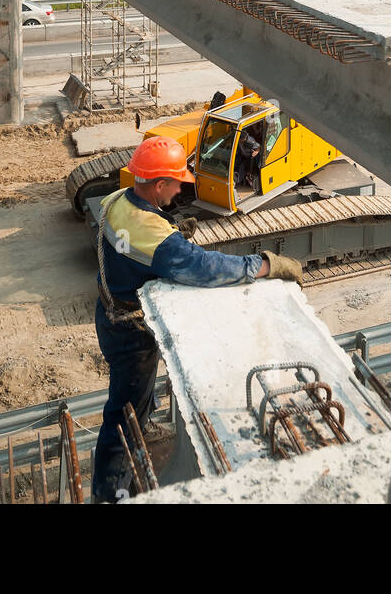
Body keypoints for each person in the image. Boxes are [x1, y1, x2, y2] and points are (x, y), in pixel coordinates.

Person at [92, 135, 303, 503]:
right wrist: (265, 265)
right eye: (176, 184)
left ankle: (142, 419)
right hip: (129, 333)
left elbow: (130, 246)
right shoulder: (157, 240)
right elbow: (206, 268)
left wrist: (168, 232)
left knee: (132, 400)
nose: (178, 191)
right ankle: (111, 493)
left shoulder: (114, 201)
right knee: (122, 416)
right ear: (158, 184)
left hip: (110, 313)